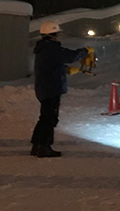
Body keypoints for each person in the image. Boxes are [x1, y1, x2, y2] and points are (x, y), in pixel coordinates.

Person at [30, 21, 88, 158]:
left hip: (44, 87)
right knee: (50, 118)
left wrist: (64, 70)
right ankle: (44, 147)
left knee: (44, 118)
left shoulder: (43, 48)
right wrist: (85, 51)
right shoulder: (52, 48)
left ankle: (37, 145)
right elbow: (70, 56)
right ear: (53, 34)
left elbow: (51, 64)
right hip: (51, 88)